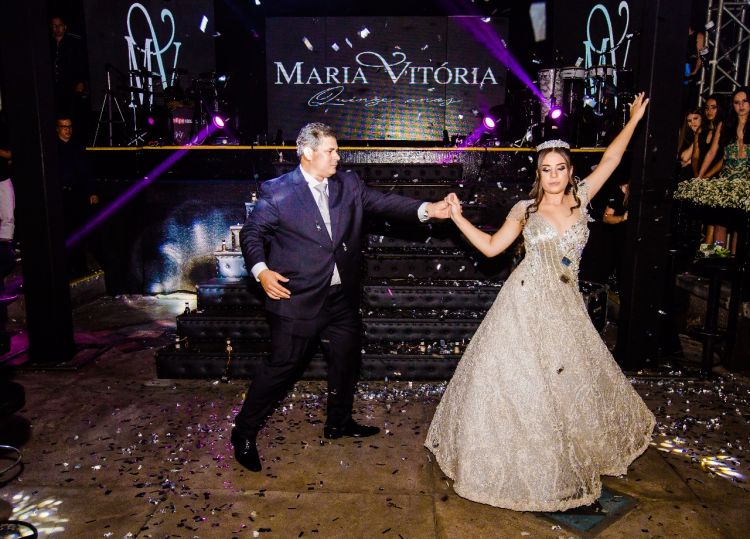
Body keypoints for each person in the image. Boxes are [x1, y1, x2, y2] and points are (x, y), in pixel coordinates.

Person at [424, 93, 655, 512]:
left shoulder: (582, 197)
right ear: (539, 173)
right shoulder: (525, 209)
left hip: (565, 305)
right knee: (525, 381)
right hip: (525, 303)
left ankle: (563, 453)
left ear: (570, 172)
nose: (553, 175)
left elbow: (611, 160)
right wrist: (457, 218)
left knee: (565, 379)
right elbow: (492, 248)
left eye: (559, 168)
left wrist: (634, 120)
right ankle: (524, 458)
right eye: (546, 169)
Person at [234, 123, 451, 472]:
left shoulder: (348, 184)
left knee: (345, 362)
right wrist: (261, 271)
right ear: (308, 153)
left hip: (340, 299)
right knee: (281, 368)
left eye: (337, 150)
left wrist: (429, 209)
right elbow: (252, 233)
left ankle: (339, 422)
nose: (338, 156)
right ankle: (243, 433)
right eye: (331, 150)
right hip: (297, 298)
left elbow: (386, 203)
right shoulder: (278, 191)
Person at [698, 87, 750, 252]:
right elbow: (712, 152)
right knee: (721, 223)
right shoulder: (726, 125)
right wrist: (700, 176)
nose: (741, 106)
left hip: (745, 182)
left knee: (739, 227)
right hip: (726, 180)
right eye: (736, 102)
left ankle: (735, 261)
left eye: (744, 101)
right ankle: (718, 257)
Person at [56, 116, 98, 277]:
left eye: (69, 126)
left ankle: (80, 266)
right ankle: (66, 267)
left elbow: (88, 171)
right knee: (64, 231)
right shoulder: (53, 149)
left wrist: (92, 192)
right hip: (61, 195)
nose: (67, 130)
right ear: (57, 129)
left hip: (77, 194)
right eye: (64, 126)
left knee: (80, 231)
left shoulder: (78, 148)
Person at [0, 113, 15, 355]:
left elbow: (12, 153)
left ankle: (5, 244)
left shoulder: (3, 125)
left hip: (2, 177)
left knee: (7, 215)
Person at [677, 108, 701, 181]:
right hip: (685, 176)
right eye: (689, 121)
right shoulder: (687, 136)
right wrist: (696, 136)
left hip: (700, 176)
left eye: (695, 118)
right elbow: (684, 157)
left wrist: (688, 162)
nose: (692, 122)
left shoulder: (708, 135)